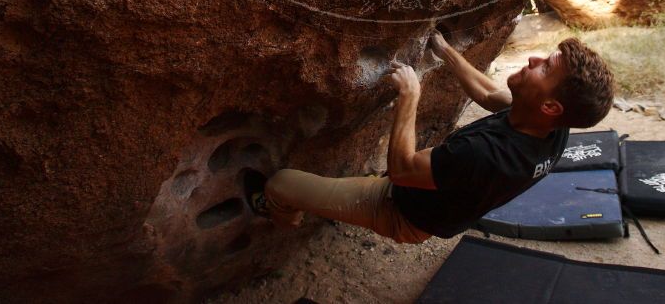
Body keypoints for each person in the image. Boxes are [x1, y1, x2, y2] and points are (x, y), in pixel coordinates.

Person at [245, 31, 614, 243]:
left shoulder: (486, 155)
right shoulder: (552, 127)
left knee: (281, 183)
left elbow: (403, 170)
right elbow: (488, 95)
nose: (533, 59)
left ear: (550, 105)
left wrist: (410, 95)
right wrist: (445, 51)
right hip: (431, 196)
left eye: (545, 67)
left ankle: (280, 216)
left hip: (399, 209)